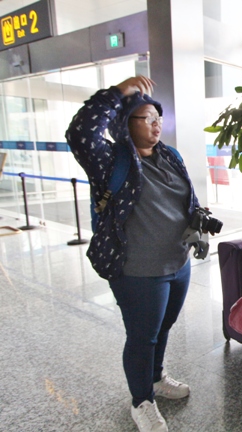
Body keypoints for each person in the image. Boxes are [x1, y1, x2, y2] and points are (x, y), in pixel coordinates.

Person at [66, 76, 206, 432]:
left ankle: (156, 378)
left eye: (158, 118)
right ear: (125, 123)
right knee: (143, 337)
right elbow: (80, 132)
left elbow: (185, 199)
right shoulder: (110, 160)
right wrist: (119, 92)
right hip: (138, 271)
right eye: (147, 118)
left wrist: (199, 223)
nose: (157, 125)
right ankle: (141, 401)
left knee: (164, 327)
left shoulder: (169, 155)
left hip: (178, 263)